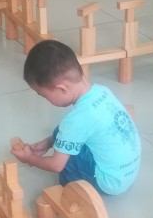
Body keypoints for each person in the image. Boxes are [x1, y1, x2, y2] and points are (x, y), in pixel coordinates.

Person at [13, 40, 141, 195]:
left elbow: (56, 165)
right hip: (127, 174)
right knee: (63, 132)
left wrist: (30, 159)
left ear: (62, 89)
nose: (46, 100)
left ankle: (70, 192)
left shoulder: (76, 120)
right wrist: (48, 143)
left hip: (108, 182)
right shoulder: (103, 91)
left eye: (44, 96)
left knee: (67, 153)